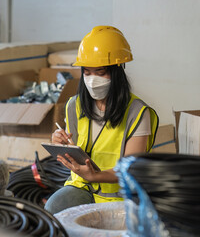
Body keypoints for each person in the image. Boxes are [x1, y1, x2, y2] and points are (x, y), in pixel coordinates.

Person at [44, 26, 159, 214]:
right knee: (54, 208)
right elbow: (74, 148)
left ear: (117, 71)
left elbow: (131, 169)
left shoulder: (137, 113)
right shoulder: (75, 105)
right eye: (87, 72)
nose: (92, 80)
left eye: (100, 72)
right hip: (83, 187)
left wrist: (97, 176)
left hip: (120, 196)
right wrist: (60, 142)